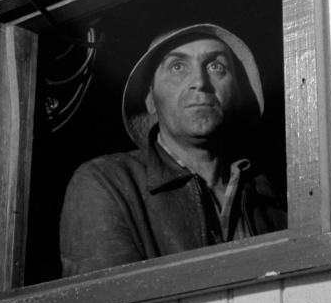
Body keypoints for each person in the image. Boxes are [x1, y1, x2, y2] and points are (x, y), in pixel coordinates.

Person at [59, 23, 287, 276]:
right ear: (150, 100)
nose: (200, 82)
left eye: (216, 66)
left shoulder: (271, 196)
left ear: (238, 95)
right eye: (177, 67)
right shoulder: (107, 182)